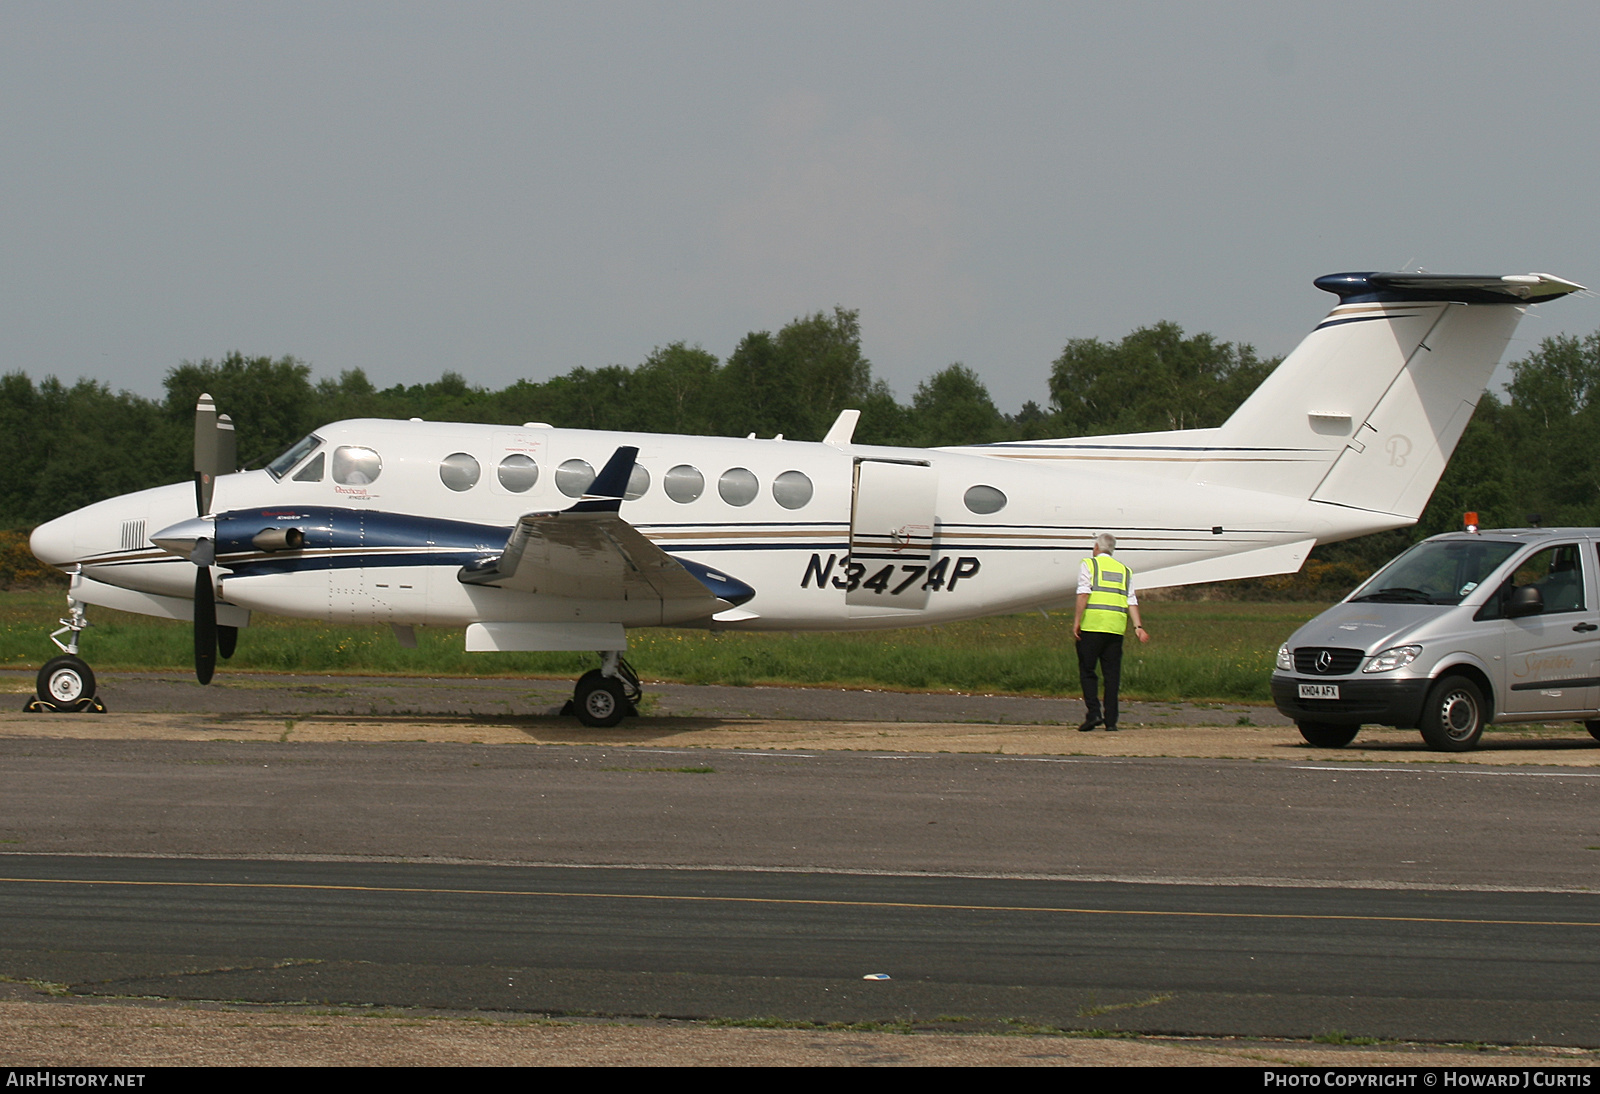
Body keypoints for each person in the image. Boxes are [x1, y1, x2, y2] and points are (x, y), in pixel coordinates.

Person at [1072, 533, 1148, 732]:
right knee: (1112, 675)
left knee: (1088, 671)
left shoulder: (1089, 564)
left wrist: (1077, 621)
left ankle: (1094, 713)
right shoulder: (1124, 570)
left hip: (1093, 626)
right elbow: (1131, 600)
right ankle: (1111, 720)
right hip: (1115, 629)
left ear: (1096, 547)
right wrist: (1138, 627)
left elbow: (1083, 593)